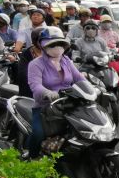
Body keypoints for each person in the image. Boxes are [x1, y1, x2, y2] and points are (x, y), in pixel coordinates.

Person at [26, 27, 85, 157]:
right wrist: (48, 93)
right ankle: (31, 157)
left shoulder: (66, 60)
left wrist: (92, 87)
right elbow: (35, 86)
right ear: (43, 46)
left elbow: (79, 79)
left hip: (69, 103)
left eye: (60, 44)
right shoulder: (35, 64)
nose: (57, 47)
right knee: (38, 133)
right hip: (45, 106)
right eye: (53, 44)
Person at [16, 26, 46, 98]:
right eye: (42, 40)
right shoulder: (27, 54)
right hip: (31, 94)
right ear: (35, 41)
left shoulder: (52, 52)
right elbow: (24, 75)